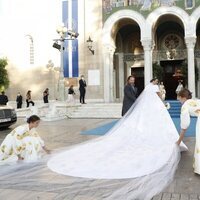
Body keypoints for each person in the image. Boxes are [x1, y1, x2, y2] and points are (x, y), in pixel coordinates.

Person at [48, 80, 187, 199]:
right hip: (156, 107)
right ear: (155, 82)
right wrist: (162, 100)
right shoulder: (155, 89)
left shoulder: (148, 88)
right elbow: (159, 96)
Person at [176, 89, 200, 175]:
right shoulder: (195, 100)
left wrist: (179, 141)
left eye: (179, 98)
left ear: (183, 97)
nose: (178, 101)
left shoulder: (185, 106)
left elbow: (184, 126)